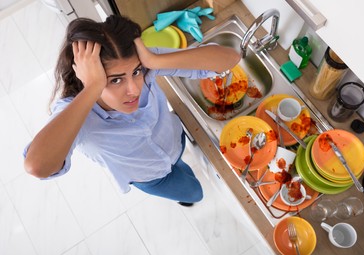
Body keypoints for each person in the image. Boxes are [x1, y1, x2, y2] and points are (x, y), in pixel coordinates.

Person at [23, 15, 240, 206]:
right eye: (115, 80)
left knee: (182, 166)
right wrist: (93, 88)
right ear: (87, 77)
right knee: (194, 193)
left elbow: (230, 59)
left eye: (136, 72)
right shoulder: (78, 114)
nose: (134, 89)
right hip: (149, 176)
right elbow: (37, 166)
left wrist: (154, 61)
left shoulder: (146, 65)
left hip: (174, 140)